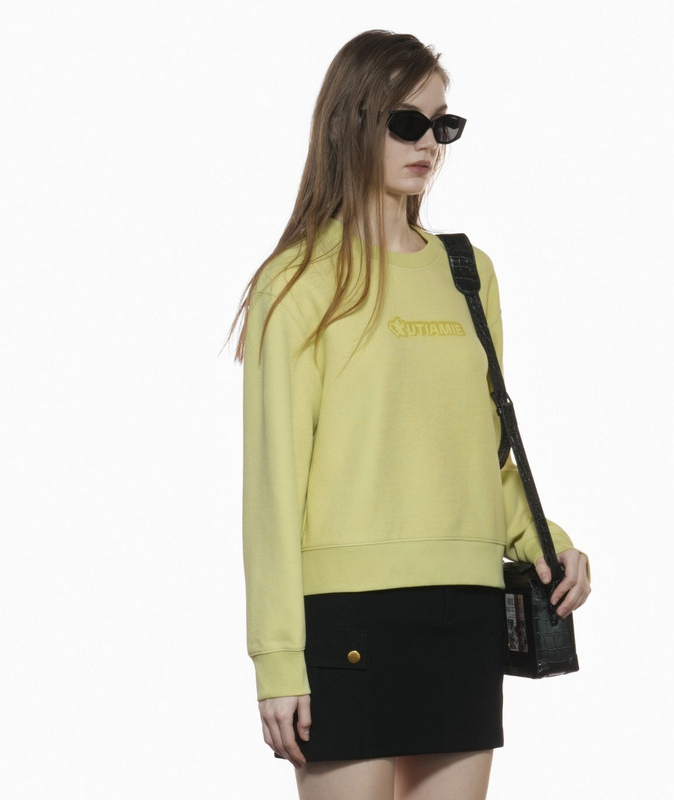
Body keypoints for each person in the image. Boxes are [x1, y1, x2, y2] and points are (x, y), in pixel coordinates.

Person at [229, 30, 591, 800]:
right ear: (350, 122)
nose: (429, 142)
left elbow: (479, 455)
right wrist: (277, 658)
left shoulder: (468, 273)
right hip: (348, 620)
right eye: (407, 122)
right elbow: (272, 489)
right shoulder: (297, 282)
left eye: (443, 125)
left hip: (465, 609)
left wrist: (547, 541)